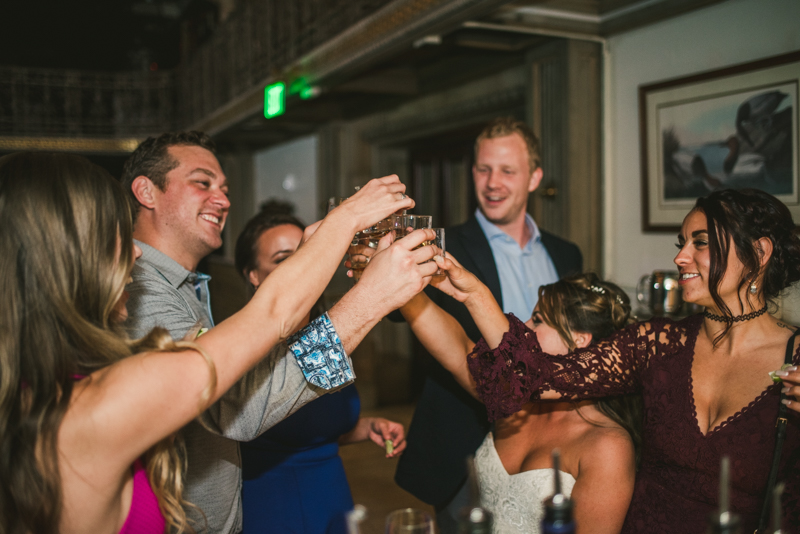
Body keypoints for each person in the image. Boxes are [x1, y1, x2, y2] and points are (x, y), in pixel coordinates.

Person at [0, 152, 435, 534]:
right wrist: (358, 257)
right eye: (114, 235)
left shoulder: (50, 392)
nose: (133, 254)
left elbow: (269, 320)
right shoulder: (98, 406)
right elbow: (265, 325)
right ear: (66, 257)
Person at [119, 131, 437, 533]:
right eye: (203, 183)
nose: (224, 199)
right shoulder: (142, 292)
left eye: (225, 187)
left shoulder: (186, 288)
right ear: (146, 191)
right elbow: (240, 412)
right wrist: (369, 298)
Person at [432, 188, 800, 532]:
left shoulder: (796, 360)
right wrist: (476, 295)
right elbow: (540, 376)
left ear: (760, 253)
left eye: (700, 243)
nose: (680, 257)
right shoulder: (657, 343)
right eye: (681, 243)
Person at [394, 117, 583, 531]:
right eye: (483, 169)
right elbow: (400, 302)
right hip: (465, 448)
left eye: (507, 171)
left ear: (534, 177)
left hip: (546, 443)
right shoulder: (444, 244)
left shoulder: (566, 254)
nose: (492, 182)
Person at [400, 273, 641, 533]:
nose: (525, 326)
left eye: (538, 320)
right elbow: (458, 349)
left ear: (579, 339)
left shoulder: (608, 447)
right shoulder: (514, 400)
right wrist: (401, 285)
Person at [234, 209, 407, 534]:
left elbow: (310, 424)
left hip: (332, 496)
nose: (300, 266)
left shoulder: (334, 332)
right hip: (272, 506)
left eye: (308, 253)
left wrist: (364, 427)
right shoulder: (244, 343)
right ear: (253, 275)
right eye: (284, 257)